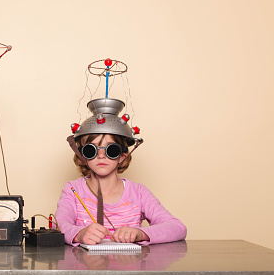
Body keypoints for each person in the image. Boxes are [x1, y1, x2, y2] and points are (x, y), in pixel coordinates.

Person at [56, 98, 187, 246]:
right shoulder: (73, 190)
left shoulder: (139, 193)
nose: (101, 155)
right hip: (84, 266)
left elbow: (178, 228)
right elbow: (59, 225)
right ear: (82, 155)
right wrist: (79, 234)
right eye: (91, 150)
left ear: (122, 156)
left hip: (129, 266)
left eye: (111, 150)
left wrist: (140, 233)